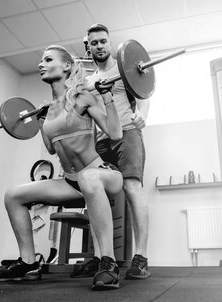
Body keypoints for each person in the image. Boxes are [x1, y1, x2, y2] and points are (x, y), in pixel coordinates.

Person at [0, 45, 123, 290]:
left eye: (48, 60)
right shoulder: (48, 111)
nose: (41, 64)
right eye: (41, 60)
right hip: (71, 181)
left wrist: (107, 97)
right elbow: (51, 149)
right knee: (13, 195)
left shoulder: (83, 97)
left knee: (89, 178)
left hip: (103, 174)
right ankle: (28, 263)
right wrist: (40, 121)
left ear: (67, 66)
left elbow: (114, 133)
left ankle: (108, 262)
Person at [74, 23, 151, 280]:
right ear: (89, 46)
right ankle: (100, 258)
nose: (99, 46)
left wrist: (142, 115)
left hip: (128, 132)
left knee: (131, 188)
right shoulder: (86, 81)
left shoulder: (124, 67)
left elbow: (144, 93)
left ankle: (140, 258)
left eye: (103, 41)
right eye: (94, 42)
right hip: (100, 140)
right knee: (93, 193)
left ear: (109, 42)